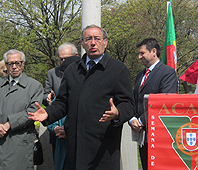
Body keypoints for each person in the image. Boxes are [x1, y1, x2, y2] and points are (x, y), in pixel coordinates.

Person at [29, 24, 135, 170]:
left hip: (103, 148)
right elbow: (62, 102)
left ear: (105, 42)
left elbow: (128, 104)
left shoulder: (118, 69)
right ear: (82, 44)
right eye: (88, 39)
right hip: (75, 147)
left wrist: (117, 113)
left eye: (97, 38)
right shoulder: (73, 70)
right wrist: (48, 113)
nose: (93, 42)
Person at [0, 49, 43, 170]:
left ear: (23, 64)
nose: (14, 67)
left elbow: (33, 110)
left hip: (19, 144)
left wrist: (9, 124)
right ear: (6, 65)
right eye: (10, 63)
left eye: (18, 63)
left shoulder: (34, 86)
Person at [129, 38, 177, 170]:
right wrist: (132, 119)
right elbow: (134, 99)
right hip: (143, 136)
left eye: (142, 53)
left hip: (160, 134)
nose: (139, 57)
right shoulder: (140, 75)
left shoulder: (167, 73)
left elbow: (165, 102)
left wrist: (141, 121)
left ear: (153, 51)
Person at [43, 42, 79, 158]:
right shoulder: (52, 73)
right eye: (61, 59)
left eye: (66, 58)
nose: (64, 62)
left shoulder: (83, 72)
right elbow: (45, 95)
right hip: (57, 127)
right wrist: (49, 97)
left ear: (76, 55)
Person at [47, 56, 81, 170]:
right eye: (63, 73)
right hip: (62, 149)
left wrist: (70, 131)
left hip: (80, 149)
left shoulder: (90, 91)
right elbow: (52, 116)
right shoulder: (60, 92)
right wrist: (55, 128)